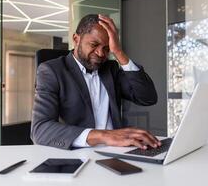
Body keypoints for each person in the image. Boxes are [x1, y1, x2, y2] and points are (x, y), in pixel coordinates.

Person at [31, 14, 161, 150]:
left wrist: (118, 52)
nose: (100, 53)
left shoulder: (111, 69)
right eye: (94, 44)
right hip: (78, 153)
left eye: (106, 48)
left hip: (117, 150)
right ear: (76, 39)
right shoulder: (52, 71)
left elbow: (148, 98)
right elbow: (40, 129)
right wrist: (104, 136)